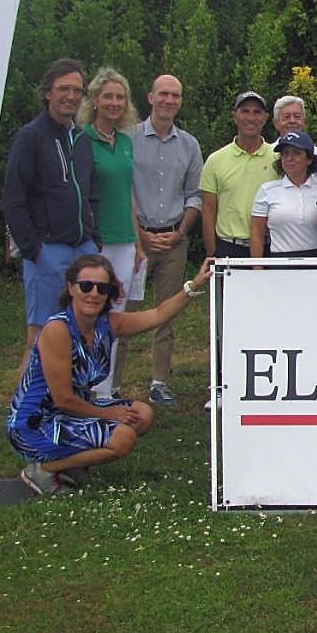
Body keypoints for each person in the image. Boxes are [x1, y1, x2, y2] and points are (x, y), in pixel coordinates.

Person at [7, 253, 213, 495]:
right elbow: (62, 398)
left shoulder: (108, 323)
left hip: (73, 410)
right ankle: (44, 469)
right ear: (71, 288)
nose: (93, 293)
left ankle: (74, 463)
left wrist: (195, 285)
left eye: (102, 288)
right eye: (86, 286)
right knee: (123, 437)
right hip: (37, 421)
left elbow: (158, 315)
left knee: (142, 414)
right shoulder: (58, 329)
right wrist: (108, 413)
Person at [1, 58, 101, 375]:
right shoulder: (31, 137)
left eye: (77, 90)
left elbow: (88, 193)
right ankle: (25, 411)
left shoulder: (83, 139)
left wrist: (94, 239)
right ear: (47, 93)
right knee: (42, 333)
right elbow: (13, 199)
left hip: (83, 248)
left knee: (83, 331)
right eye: (64, 89)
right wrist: (33, 249)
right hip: (48, 248)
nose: (71, 96)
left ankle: (71, 403)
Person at [128, 74, 203, 406]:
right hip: (134, 240)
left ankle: (159, 382)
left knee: (167, 312)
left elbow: (195, 196)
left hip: (174, 238)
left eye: (176, 95)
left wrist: (180, 233)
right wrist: (140, 236)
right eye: (164, 94)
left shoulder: (189, 144)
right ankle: (110, 386)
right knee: (121, 312)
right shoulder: (128, 140)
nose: (169, 100)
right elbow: (123, 191)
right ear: (150, 97)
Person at [77, 67, 144, 400]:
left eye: (120, 97)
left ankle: (103, 392)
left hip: (125, 243)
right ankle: (83, 388)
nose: (115, 103)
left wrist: (138, 241)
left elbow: (127, 193)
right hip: (96, 243)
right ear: (95, 100)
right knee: (89, 315)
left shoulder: (125, 143)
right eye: (109, 97)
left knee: (114, 318)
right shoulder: (82, 141)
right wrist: (91, 238)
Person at [201, 90, 279, 259]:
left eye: (257, 112)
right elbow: (208, 210)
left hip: (270, 248)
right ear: (234, 116)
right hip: (229, 248)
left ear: (265, 118)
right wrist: (212, 253)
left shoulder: (278, 158)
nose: (251, 118)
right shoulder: (215, 160)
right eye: (244, 111)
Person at [250, 131, 317, 258]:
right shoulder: (267, 190)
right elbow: (256, 234)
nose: (289, 158)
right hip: (280, 263)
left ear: (309, 159)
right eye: (285, 153)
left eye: (297, 153)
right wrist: (257, 270)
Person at [271, 94, 317, 165]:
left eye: (297, 116)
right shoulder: (268, 155)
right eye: (286, 117)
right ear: (276, 123)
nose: (292, 121)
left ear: (304, 121)